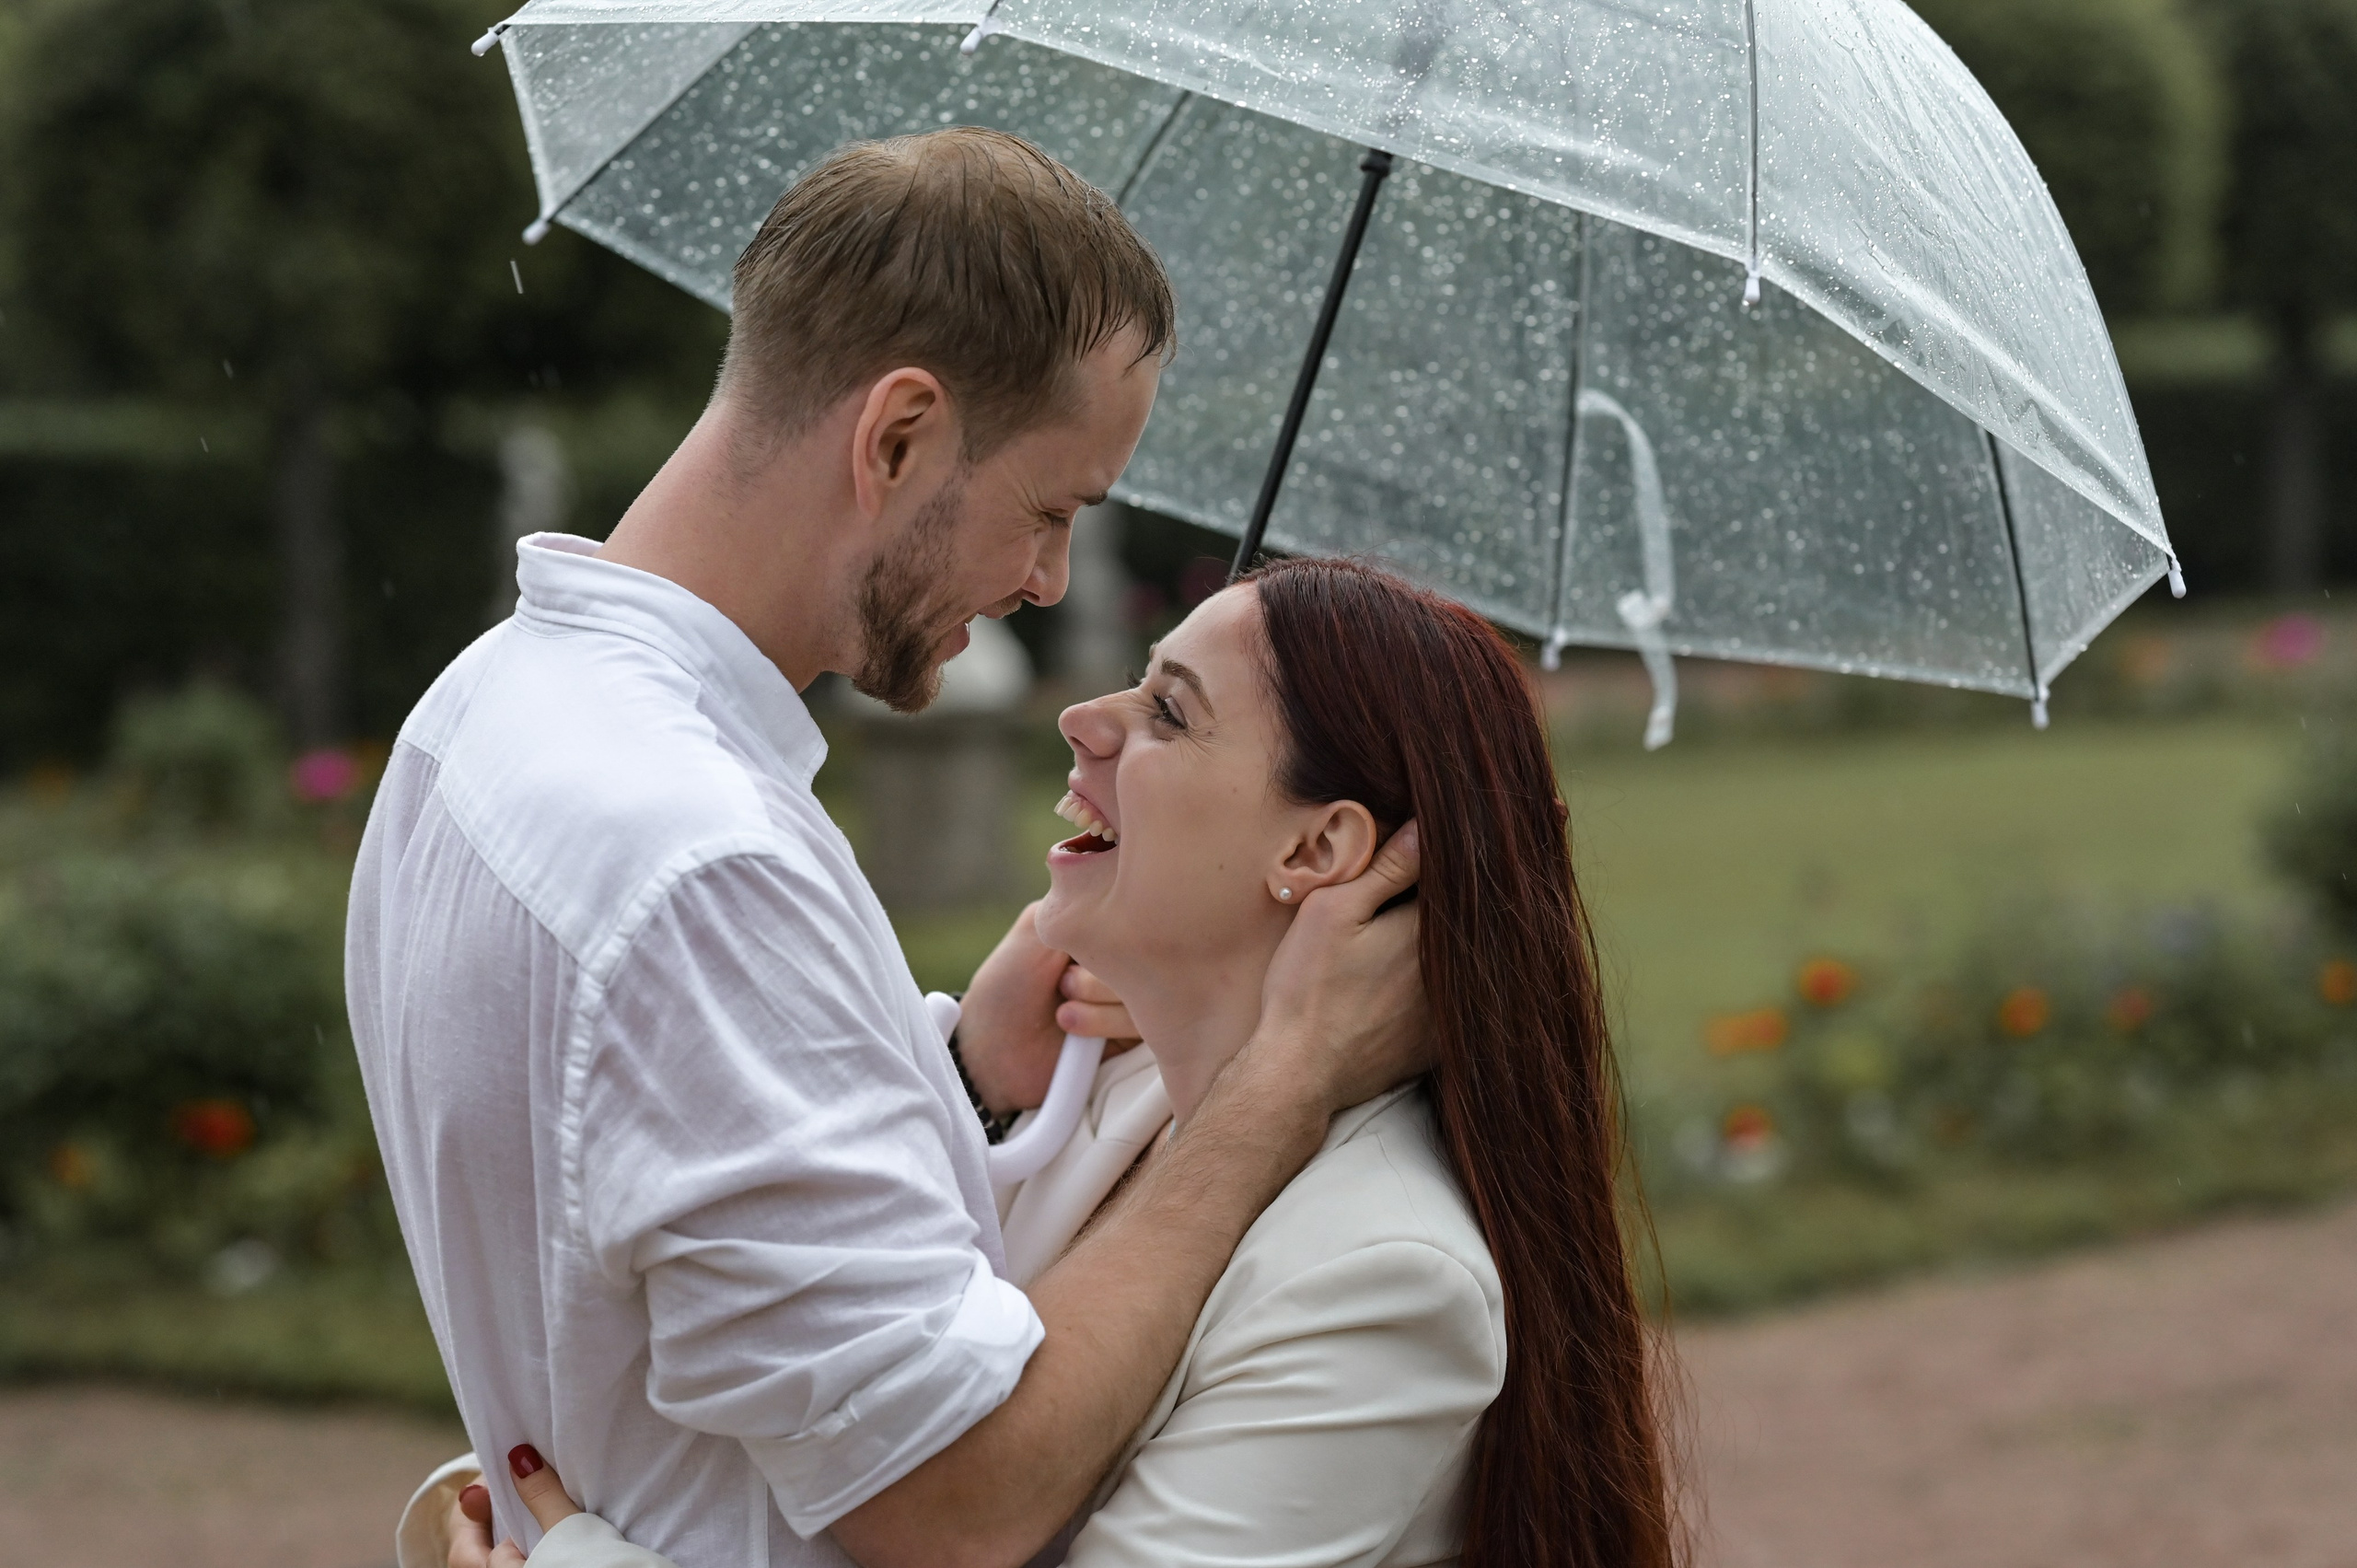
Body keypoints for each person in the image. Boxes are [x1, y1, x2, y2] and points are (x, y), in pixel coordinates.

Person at [348, 129, 1428, 1568]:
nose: (1045, 580)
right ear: (899, 435)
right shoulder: (704, 861)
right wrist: (1275, 1099)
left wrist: (963, 1082)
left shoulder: (475, 713)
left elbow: (642, 1217)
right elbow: (953, 1497)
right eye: (1050, 510)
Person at [415, 557, 1680, 1568]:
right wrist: (972, 1070)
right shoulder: (1112, 1099)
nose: (1085, 719)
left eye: (1169, 712)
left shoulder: (1384, 1279)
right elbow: (857, 1371)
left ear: (1319, 849)